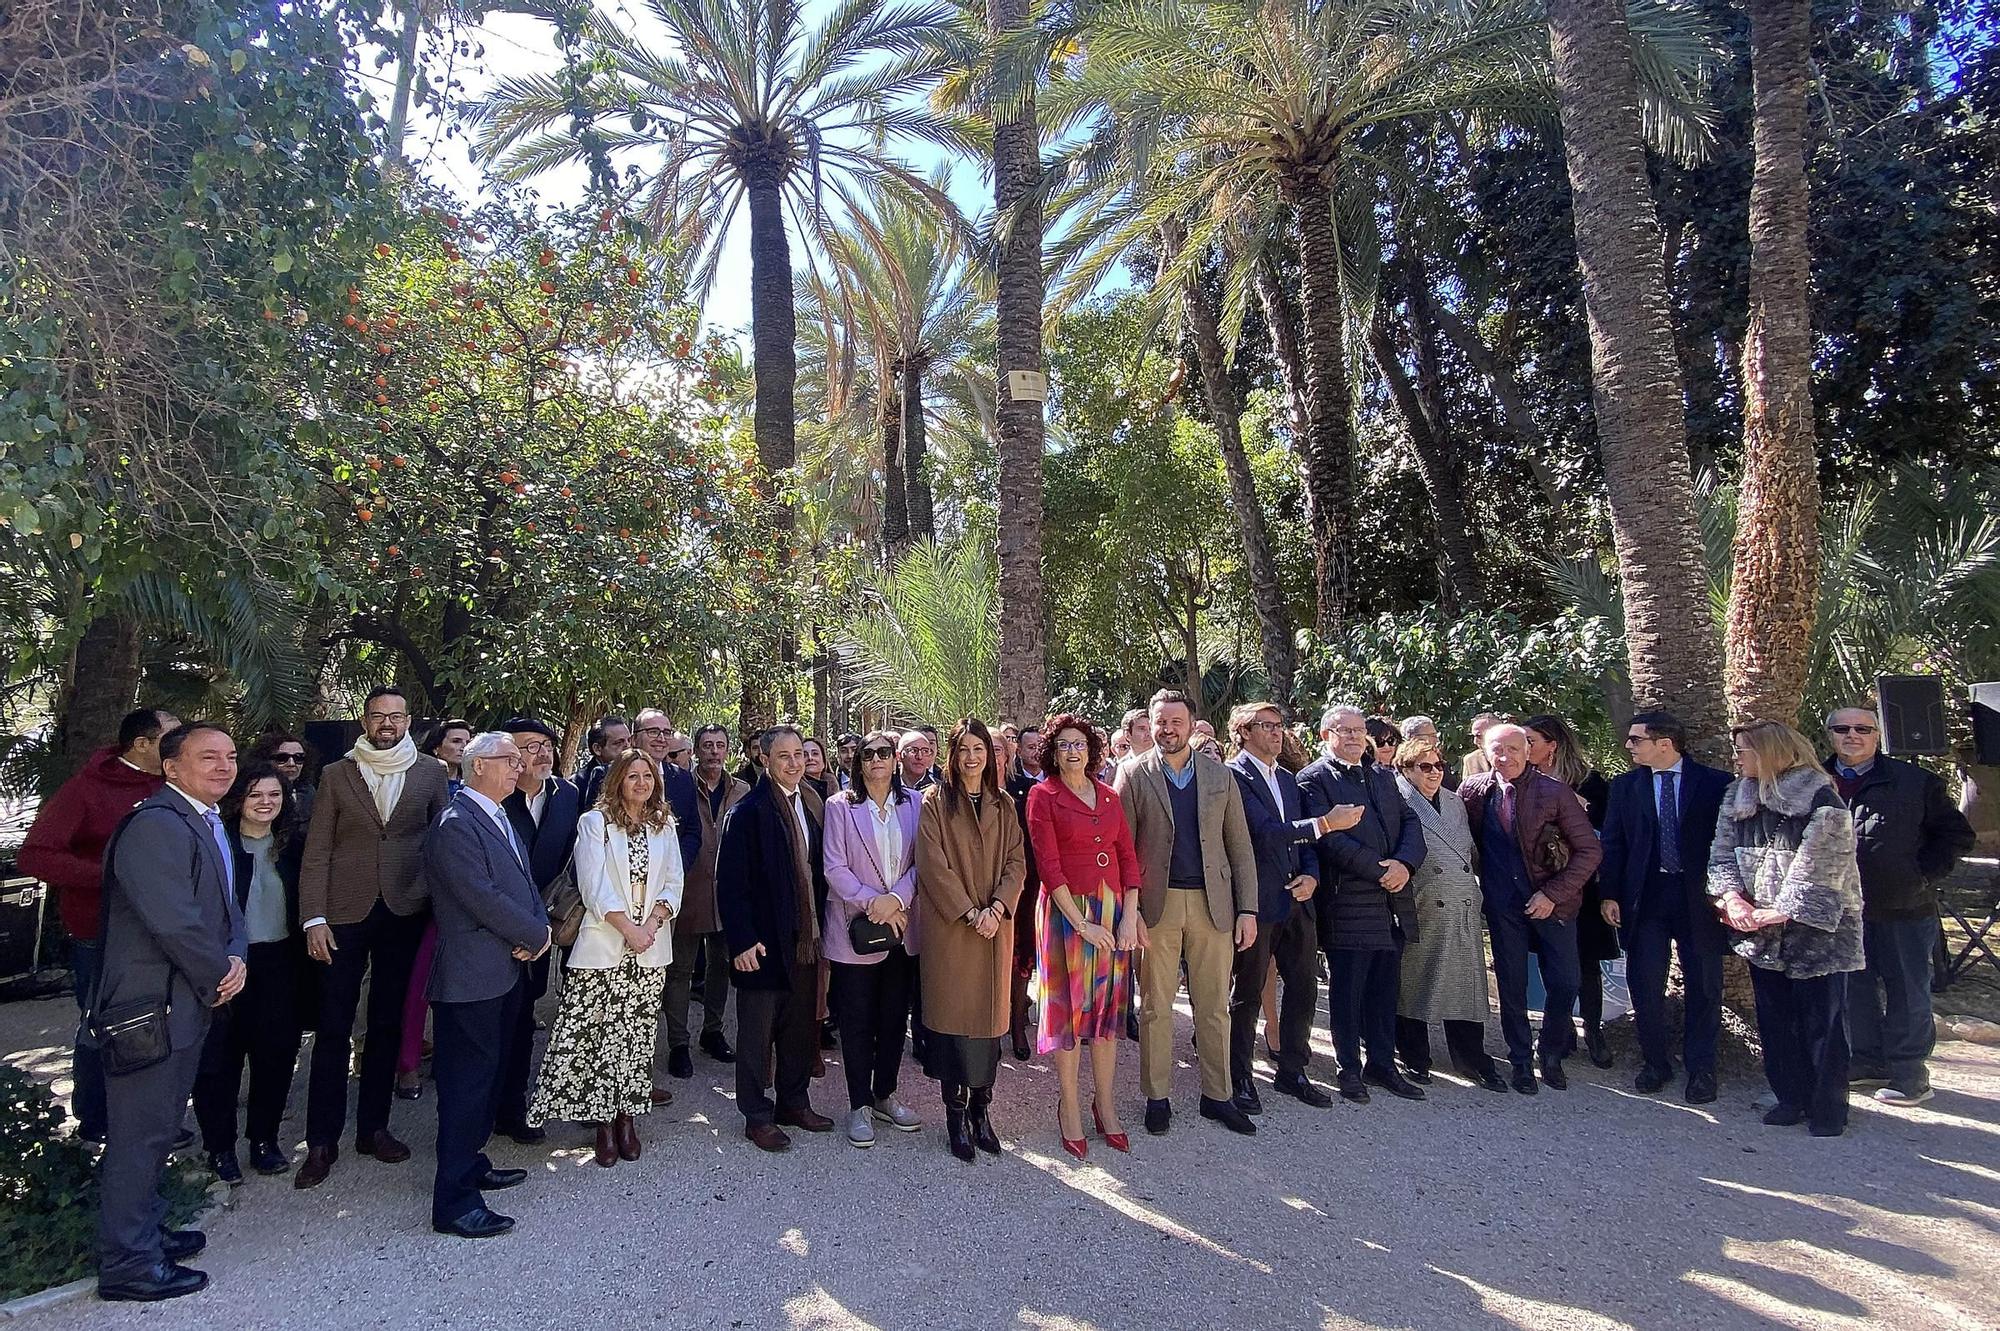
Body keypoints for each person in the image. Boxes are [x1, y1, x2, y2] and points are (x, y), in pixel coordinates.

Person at [91, 722, 245, 1302]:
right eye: (208, 757)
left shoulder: (201, 819)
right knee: (139, 1136)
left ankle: (145, 1231)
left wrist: (235, 957)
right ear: (171, 767)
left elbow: (224, 907)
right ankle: (128, 1264)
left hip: (183, 1002)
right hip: (150, 1006)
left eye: (230, 756)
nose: (224, 766)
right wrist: (219, 972)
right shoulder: (156, 825)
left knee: (157, 1132)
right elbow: (175, 921)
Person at [295, 687, 450, 1189]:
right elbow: (317, 850)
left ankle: (373, 1129)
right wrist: (313, 917)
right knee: (333, 1025)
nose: (387, 723)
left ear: (408, 721)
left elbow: (442, 840)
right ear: (365, 721)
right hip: (343, 913)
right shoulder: (337, 774)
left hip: (404, 909)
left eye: (396, 716)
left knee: (387, 1023)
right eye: (378, 716)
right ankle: (321, 1141)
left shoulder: (431, 772)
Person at [20, 705, 176, 1147]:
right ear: (142, 744)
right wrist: (109, 876)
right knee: (102, 1024)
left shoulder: (176, 785)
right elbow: (36, 855)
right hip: (101, 932)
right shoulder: (86, 789)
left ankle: (149, 1118)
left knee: (163, 1022)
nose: (182, 743)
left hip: (165, 928)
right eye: (172, 735)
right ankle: (96, 1118)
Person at [1115, 690, 1260, 1136]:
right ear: (1151, 724)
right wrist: (1130, 911)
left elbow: (1240, 847)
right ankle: (1157, 1097)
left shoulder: (1220, 775)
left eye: (1176, 721)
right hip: (1156, 906)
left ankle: (1218, 1095)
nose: (1168, 729)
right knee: (1156, 1006)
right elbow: (1122, 850)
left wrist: (1247, 909)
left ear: (1191, 724)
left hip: (1212, 904)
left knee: (1214, 1006)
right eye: (1161, 722)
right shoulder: (1133, 773)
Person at [1709, 721, 1865, 1137]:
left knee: (1823, 1023)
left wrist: (1776, 912)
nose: (1737, 758)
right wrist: (1731, 899)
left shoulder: (1821, 797)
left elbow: (1822, 866)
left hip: (1819, 933)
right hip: (1761, 933)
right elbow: (1721, 854)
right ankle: (1789, 1097)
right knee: (1775, 1019)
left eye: (1744, 750)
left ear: (1770, 752)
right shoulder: (1737, 795)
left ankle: (1828, 1108)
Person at [530, 749, 684, 1166]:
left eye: (647, 776)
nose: (641, 783)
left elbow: (674, 881)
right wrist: (629, 929)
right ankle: (602, 1123)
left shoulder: (664, 824)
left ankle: (627, 1118)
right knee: (598, 1037)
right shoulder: (594, 823)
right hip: (604, 945)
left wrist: (652, 923)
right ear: (617, 780)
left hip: (650, 947)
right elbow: (593, 885)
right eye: (632, 776)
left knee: (637, 1038)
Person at [422, 733, 549, 1238]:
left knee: (487, 1076)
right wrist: (534, 934)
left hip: (505, 969)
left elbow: (524, 884)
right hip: (472, 975)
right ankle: (454, 1203)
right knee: (465, 1086)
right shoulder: (455, 823)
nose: (520, 767)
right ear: (477, 766)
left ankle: (471, 1163)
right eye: (510, 760)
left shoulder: (496, 814)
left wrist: (537, 929)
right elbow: (481, 895)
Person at [1826, 706, 1975, 1107]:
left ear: (1878, 735)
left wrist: (1920, 875)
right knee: (1854, 989)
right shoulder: (1813, 780)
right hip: (1839, 911)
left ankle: (1910, 1074)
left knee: (1907, 992)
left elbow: (1955, 835)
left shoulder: (1915, 781)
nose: (1852, 735)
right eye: (1842, 728)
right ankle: (1867, 1061)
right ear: (1830, 735)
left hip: (1903, 909)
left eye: (1863, 729)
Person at [1226, 703, 1357, 1113]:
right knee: (1248, 992)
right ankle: (1240, 1076)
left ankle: (1293, 1071)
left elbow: (1306, 843)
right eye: (1266, 725)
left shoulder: (1287, 778)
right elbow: (1264, 834)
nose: (1276, 732)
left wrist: (1312, 876)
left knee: (1303, 987)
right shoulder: (1233, 776)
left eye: (1279, 725)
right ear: (1244, 732)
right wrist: (1326, 823)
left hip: (1298, 900)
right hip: (1257, 901)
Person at [1459, 723, 1603, 1094]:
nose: (1504, 757)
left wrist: (1552, 894)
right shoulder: (1473, 791)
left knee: (1565, 981)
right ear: (1485, 752)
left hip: (1554, 902)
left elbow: (1589, 851)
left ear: (1527, 752)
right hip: (1503, 905)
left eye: (1513, 749)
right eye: (1497, 749)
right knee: (1512, 984)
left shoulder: (1554, 792)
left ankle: (1551, 1052)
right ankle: (1520, 1060)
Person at [1298, 705, 1427, 1104]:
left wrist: (1404, 864)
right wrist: (1379, 870)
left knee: (1385, 990)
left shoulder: (1381, 776)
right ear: (1326, 735)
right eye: (1345, 730)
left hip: (1391, 900)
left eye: (1359, 730)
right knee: (1348, 991)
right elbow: (1327, 839)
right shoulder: (1314, 779)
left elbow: (1411, 822)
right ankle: (1349, 1069)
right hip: (1348, 902)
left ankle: (1383, 1064)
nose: (1355, 737)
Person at [1599, 711, 1731, 1103]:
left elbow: (1727, 842)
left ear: (1664, 744)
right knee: (1645, 983)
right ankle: (1655, 1062)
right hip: (1646, 898)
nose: (1629, 746)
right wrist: (1610, 893)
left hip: (1699, 899)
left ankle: (1702, 1068)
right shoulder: (1625, 787)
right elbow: (1613, 843)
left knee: (1705, 984)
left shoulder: (1715, 783)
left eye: (1636, 739)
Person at [1026, 714, 1140, 1158]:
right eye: (1064, 745)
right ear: (1053, 754)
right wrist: (1081, 923)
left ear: (1092, 750)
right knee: (1070, 1012)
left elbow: (1127, 857)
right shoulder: (1042, 796)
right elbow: (1048, 866)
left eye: (1079, 744)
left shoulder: (1109, 795)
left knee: (1106, 1011)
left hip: (1111, 910)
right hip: (1066, 913)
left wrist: (1128, 917)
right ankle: (1069, 1105)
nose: (1072, 751)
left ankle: (1105, 1103)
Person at [915, 718, 1027, 1161]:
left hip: (994, 929)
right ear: (953, 755)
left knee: (988, 1026)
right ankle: (955, 1115)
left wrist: (997, 909)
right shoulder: (935, 802)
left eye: (979, 749)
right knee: (954, 1025)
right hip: (953, 930)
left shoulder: (1004, 804)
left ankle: (982, 1111)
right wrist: (968, 911)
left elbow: (1017, 862)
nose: (972, 757)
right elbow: (932, 865)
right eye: (963, 749)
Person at [718, 726, 832, 1152]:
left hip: (803, 940)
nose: (795, 763)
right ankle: (756, 1115)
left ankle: (793, 1102)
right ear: (764, 760)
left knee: (799, 1028)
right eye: (784, 756)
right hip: (762, 944)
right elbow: (730, 884)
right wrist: (742, 942)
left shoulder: (811, 803)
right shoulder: (747, 811)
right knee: (756, 1035)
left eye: (799, 754)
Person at [193, 761, 307, 1181]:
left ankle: (264, 1140)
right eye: (255, 794)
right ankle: (219, 1148)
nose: (265, 802)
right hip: (225, 963)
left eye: (274, 795)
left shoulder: (294, 845)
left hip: (281, 963)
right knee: (219, 1060)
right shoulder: (215, 842)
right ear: (238, 799)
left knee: (275, 1056)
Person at [821, 731, 924, 1147]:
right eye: (869, 754)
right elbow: (834, 867)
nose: (877, 759)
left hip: (901, 927)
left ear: (895, 759)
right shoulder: (839, 806)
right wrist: (874, 903)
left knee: (894, 1019)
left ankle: (885, 1095)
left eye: (884, 752)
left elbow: (922, 862)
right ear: (858, 763)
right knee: (857, 1021)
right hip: (856, 931)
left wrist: (897, 899)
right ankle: (859, 1104)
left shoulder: (915, 803)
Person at [1390, 736, 1506, 1092]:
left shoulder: (1455, 802)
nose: (1434, 773)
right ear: (1405, 769)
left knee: (1466, 985)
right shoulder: (1395, 799)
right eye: (1424, 766)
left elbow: (1469, 850)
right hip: (1422, 903)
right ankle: (1414, 1055)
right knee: (1416, 983)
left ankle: (1471, 1056)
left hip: (1462, 905)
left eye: (1439, 766)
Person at [490, 717, 584, 1145]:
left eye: (547, 744)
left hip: (540, 931)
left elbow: (569, 863)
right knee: (490, 1024)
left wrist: (546, 922)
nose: (543, 753)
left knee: (523, 1019)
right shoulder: (492, 796)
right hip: (491, 929)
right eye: (531, 746)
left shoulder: (567, 796)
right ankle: (479, 1112)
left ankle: (512, 1108)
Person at [1523, 713, 1616, 1068]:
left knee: (1585, 962)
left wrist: (1577, 808)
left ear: (1553, 745)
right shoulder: (1524, 779)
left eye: (1531, 741)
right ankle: (1558, 1031)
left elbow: (1608, 833)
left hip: (1583, 884)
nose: (1525, 748)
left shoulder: (1590, 783)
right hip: (1541, 883)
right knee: (1551, 961)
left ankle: (1593, 1030)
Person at [658, 724, 747, 1086]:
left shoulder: (741, 790)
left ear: (728, 750)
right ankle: (678, 1042)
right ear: (695, 751)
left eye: (719, 745)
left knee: (721, 965)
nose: (713, 752)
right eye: (707, 745)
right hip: (687, 890)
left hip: (728, 892)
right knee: (680, 970)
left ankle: (713, 1031)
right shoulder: (680, 787)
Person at [396, 717, 473, 1102]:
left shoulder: (478, 784)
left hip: (469, 899)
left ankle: (447, 1057)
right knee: (418, 983)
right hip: (425, 896)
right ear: (436, 746)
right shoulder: (422, 780)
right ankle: (407, 1062)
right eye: (455, 740)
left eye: (467, 741)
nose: (462, 747)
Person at [1004, 725, 1046, 1059]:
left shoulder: (1053, 783)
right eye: (1029, 746)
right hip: (1009, 880)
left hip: (1040, 881)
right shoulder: (1009, 786)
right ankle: (1006, 1023)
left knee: (1027, 955)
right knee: (1008, 955)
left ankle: (1021, 1022)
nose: (1034, 751)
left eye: (1039, 745)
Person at [247, 729, 318, 823]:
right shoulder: (247, 788)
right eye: (282, 758)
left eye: (298, 758)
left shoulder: (308, 792)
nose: (291, 764)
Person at [575, 714, 632, 809]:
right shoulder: (578, 785)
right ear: (597, 749)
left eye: (629, 740)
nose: (628, 746)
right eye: (619, 742)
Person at [1461, 712, 1506, 782]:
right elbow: (1466, 787)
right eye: (1474, 736)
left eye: (1479, 736)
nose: (1475, 742)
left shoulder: (1518, 756)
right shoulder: (1471, 760)